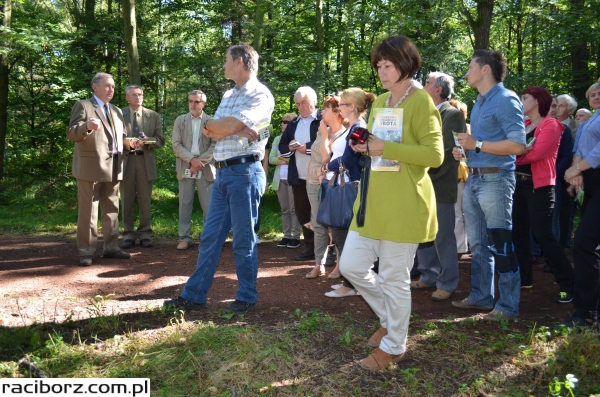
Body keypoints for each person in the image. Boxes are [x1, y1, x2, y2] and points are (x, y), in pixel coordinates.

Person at [340, 35, 443, 370]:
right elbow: (376, 146)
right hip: (373, 202)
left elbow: (435, 155)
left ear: (405, 64)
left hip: (404, 205)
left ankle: (395, 345)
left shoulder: (421, 102)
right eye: (379, 66)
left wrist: (387, 148)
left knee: (393, 278)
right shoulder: (382, 101)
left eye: (387, 65)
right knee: (351, 266)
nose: (381, 72)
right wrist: (364, 146)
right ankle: (390, 319)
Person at [163, 43, 274, 315]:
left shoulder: (260, 94)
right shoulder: (227, 95)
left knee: (244, 240)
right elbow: (211, 127)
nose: (223, 65)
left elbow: (223, 127)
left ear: (239, 62)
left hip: (245, 173)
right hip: (223, 173)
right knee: (210, 238)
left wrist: (228, 127)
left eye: (226, 60)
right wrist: (229, 127)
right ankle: (194, 296)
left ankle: (247, 297)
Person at [452, 50, 526, 321]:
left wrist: (478, 144)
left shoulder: (506, 99)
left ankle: (508, 307)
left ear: (485, 70)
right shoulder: (480, 102)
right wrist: (466, 152)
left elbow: (518, 145)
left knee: (501, 243)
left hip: (496, 180)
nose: (466, 72)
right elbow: (481, 144)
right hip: (475, 177)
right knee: (479, 245)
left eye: (471, 66)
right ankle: (482, 297)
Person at [67, 72, 138, 266]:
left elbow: (121, 138)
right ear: (94, 87)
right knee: (89, 211)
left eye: (113, 87)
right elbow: (72, 133)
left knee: (112, 209)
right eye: (107, 86)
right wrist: (87, 126)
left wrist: (130, 144)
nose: (111, 90)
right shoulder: (84, 106)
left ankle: (111, 247)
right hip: (90, 167)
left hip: (114, 166)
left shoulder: (115, 111)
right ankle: (86, 252)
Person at [512, 86, 574, 303]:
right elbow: (518, 150)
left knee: (544, 236)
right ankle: (525, 279)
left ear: (537, 101)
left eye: (525, 98)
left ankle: (568, 284)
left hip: (540, 187)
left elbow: (536, 153)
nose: (521, 101)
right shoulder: (525, 124)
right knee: (519, 233)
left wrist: (513, 154)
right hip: (518, 185)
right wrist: (518, 152)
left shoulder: (552, 125)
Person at [412, 72, 466, 301]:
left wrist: (424, 174)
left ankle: (448, 281)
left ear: (439, 90)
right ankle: (428, 275)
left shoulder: (452, 114)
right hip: (421, 183)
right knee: (424, 233)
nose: (424, 86)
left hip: (439, 184)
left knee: (443, 235)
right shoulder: (424, 112)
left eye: (427, 83)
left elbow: (446, 153)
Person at [322, 88, 374, 298]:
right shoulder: (355, 126)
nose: (339, 108)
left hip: (355, 186)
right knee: (344, 234)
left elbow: (347, 160)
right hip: (352, 184)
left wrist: (327, 168)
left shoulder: (359, 127)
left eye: (342, 104)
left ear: (351, 106)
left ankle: (351, 284)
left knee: (347, 235)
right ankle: (350, 282)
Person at [562, 82, 600, 329]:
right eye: (592, 94)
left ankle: (586, 313)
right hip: (591, 185)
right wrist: (575, 175)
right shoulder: (588, 123)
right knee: (590, 245)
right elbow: (578, 149)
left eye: (599, 93)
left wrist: (575, 169)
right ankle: (588, 311)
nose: (595, 96)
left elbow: (597, 154)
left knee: (584, 243)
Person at [278, 87, 322, 261]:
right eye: (298, 104)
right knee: (303, 213)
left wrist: (308, 148)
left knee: (321, 214)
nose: (301, 107)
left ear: (313, 101)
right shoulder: (294, 123)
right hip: (298, 177)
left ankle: (327, 249)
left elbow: (330, 142)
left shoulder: (323, 120)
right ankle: (310, 247)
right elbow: (282, 145)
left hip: (319, 177)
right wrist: (290, 148)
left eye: (304, 102)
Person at [120, 85, 165, 249]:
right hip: (126, 161)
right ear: (127, 97)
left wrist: (148, 140)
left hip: (145, 162)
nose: (138, 97)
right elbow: (113, 139)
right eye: (134, 95)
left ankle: (145, 233)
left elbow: (160, 140)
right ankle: (128, 234)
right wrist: (127, 143)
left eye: (140, 94)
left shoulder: (152, 115)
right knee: (127, 199)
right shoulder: (119, 115)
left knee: (145, 200)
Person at [172, 90, 216, 250]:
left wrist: (199, 161)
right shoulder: (180, 121)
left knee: (208, 205)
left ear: (203, 103)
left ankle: (208, 237)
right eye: (190, 101)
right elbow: (176, 144)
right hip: (186, 165)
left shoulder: (211, 121)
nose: (193, 104)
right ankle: (184, 237)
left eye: (197, 102)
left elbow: (215, 145)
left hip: (205, 167)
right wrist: (191, 160)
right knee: (184, 202)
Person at [304, 96, 342, 279]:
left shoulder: (342, 133)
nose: (321, 113)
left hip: (331, 183)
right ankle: (318, 264)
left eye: (326, 109)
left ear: (337, 112)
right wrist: (309, 178)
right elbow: (314, 157)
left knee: (335, 225)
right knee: (317, 223)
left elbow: (327, 159)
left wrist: (326, 135)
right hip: (313, 182)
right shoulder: (321, 130)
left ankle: (339, 265)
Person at [269, 113, 301, 249]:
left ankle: (296, 237)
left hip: (293, 179)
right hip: (279, 180)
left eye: (286, 121)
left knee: (294, 210)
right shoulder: (277, 139)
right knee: (285, 209)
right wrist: (283, 160)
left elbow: (295, 159)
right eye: (282, 121)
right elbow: (271, 159)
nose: (283, 124)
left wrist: (282, 159)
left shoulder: (298, 139)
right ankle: (286, 236)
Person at [448, 99, 470, 257]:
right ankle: (458, 245)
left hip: (461, 174)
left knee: (458, 212)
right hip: (454, 174)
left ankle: (460, 247)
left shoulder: (466, 130)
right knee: (456, 212)